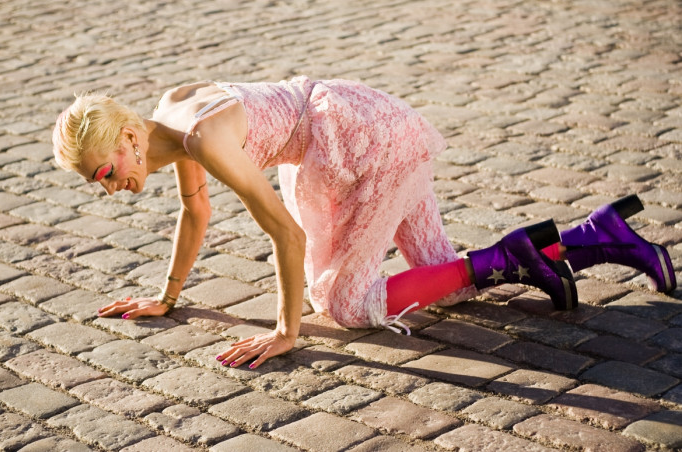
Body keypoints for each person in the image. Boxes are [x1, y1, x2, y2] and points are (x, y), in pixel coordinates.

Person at [52, 76, 677, 369]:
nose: (110, 189)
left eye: (105, 173)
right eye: (96, 183)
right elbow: (195, 209)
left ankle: (514, 256)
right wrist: (166, 298)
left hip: (360, 140)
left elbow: (286, 235)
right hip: (341, 131)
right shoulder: (168, 121)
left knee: (346, 302)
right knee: (446, 278)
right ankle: (600, 236)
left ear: (129, 138)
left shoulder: (201, 138)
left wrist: (284, 332)